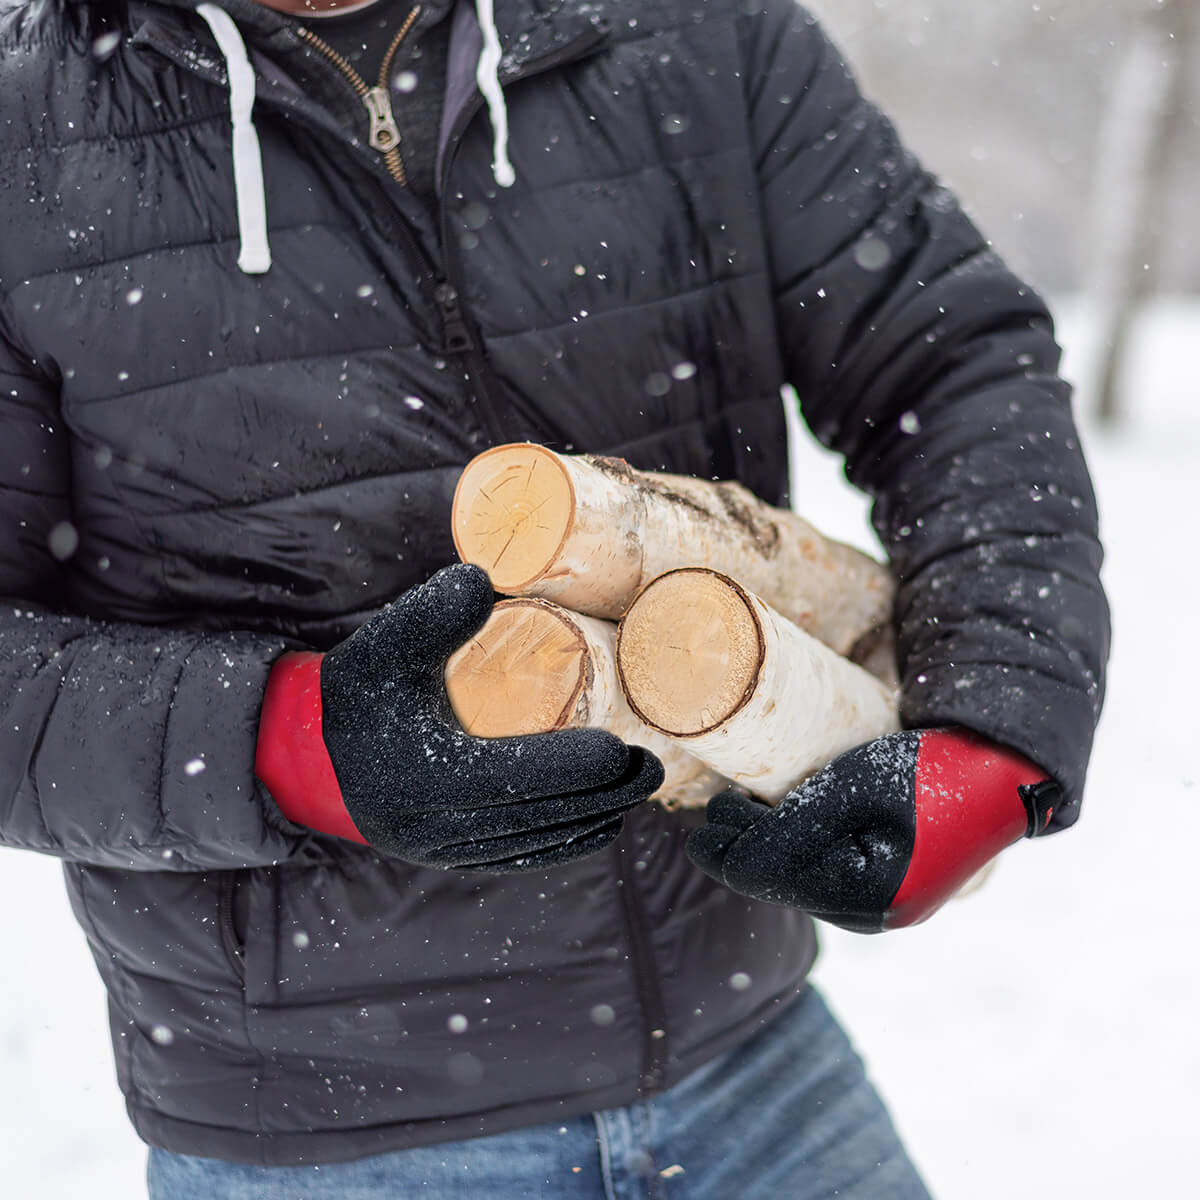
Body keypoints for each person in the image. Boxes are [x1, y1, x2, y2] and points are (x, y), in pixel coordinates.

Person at [0, 0, 1109, 1194]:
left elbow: (956, 364)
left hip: (759, 1075)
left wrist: (993, 727)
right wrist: (293, 745)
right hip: (327, 1135)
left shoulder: (687, 27)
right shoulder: (22, 128)